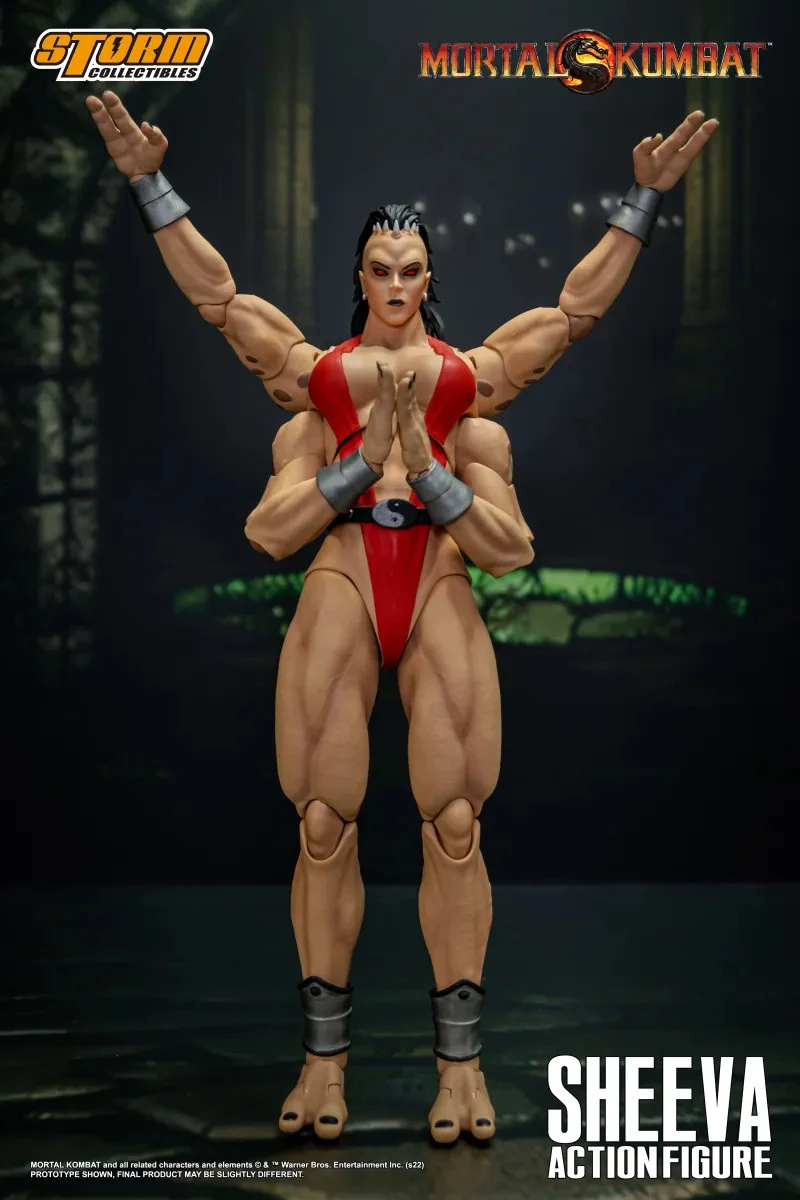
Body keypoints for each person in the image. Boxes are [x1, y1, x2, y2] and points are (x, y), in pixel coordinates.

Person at [87, 91, 718, 1142]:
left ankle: (460, 1073)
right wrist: (150, 184)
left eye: (409, 269)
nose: (392, 283)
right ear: (360, 278)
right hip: (342, 582)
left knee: (457, 824)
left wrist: (639, 204)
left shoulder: (468, 401)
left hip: (436, 584)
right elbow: (253, 453)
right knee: (321, 824)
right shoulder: (321, 391)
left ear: (429, 279)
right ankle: (322, 1066)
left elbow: (532, 463)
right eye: (378, 268)